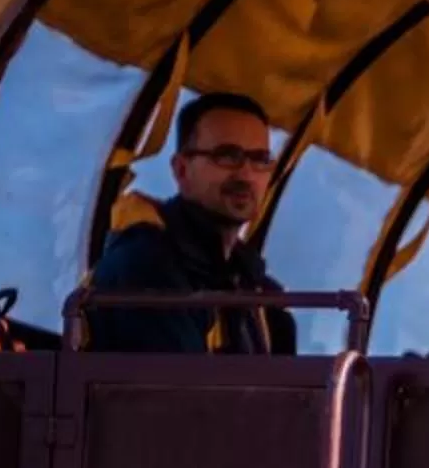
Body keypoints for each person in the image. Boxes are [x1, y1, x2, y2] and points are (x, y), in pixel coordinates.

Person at [85, 91, 297, 355]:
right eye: (227, 155)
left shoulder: (257, 290)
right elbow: (180, 391)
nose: (246, 174)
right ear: (181, 169)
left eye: (260, 159)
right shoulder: (144, 267)